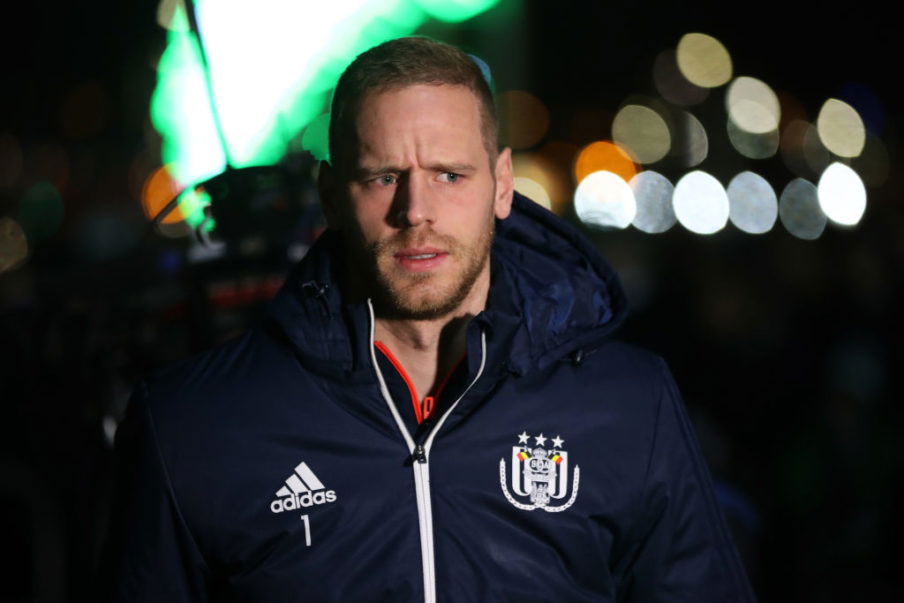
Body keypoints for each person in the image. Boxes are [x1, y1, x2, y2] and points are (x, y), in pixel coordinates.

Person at [100, 36, 756, 601]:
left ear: (502, 186)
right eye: (383, 175)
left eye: (449, 174)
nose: (417, 209)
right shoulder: (193, 423)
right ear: (330, 194)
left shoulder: (630, 403)